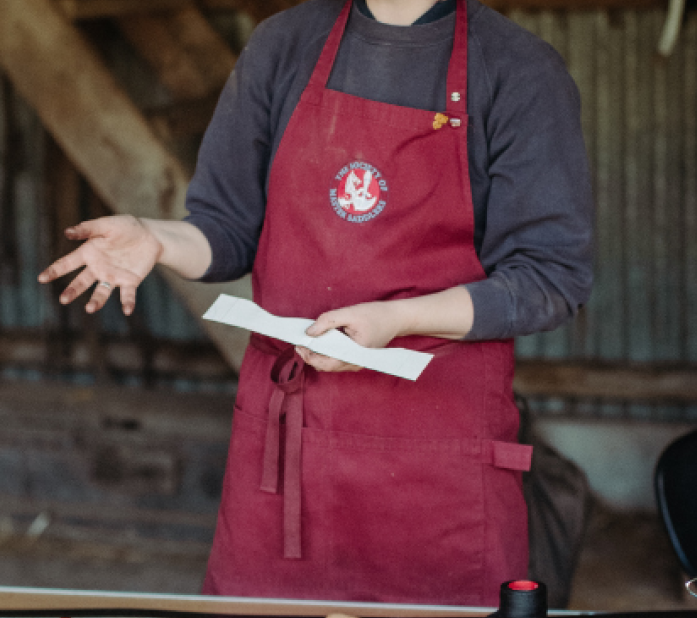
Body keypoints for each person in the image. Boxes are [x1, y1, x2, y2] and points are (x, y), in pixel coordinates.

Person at [38, 0, 593, 606]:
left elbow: (550, 278)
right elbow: (226, 229)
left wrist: (399, 319)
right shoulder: (284, 45)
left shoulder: (518, 69)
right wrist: (156, 239)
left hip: (437, 466)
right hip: (286, 461)